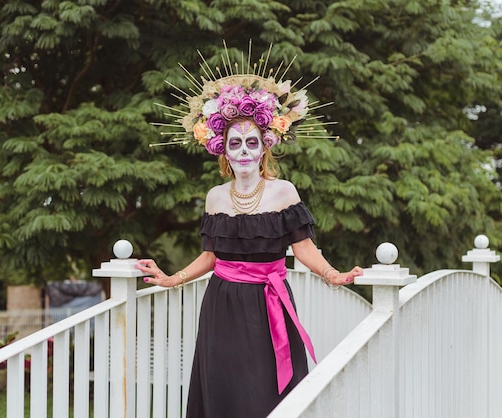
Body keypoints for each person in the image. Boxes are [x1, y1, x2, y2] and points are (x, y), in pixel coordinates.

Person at [135, 42, 364, 418]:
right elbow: (210, 257)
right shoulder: (215, 198)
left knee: (264, 395)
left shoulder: (283, 192)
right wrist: (171, 278)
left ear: (264, 148)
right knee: (225, 391)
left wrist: (331, 274)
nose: (243, 150)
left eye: (252, 142)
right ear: (223, 150)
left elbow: (303, 249)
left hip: (267, 303)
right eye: (235, 143)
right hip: (222, 306)